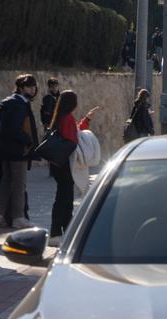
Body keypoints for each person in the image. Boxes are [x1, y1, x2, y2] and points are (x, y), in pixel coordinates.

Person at [47, 91, 100, 245]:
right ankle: (57, 233)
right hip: (66, 164)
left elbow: (73, 132)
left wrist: (87, 118)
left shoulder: (60, 117)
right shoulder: (68, 118)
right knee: (64, 199)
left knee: (65, 198)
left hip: (59, 164)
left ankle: (65, 231)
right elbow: (73, 138)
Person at [0, 74, 39, 229]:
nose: (32, 90)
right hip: (18, 151)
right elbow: (13, 129)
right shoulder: (19, 104)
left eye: (34, 87)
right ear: (20, 88)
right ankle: (18, 217)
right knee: (19, 184)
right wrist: (28, 141)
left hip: (5, 150)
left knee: (6, 182)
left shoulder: (9, 102)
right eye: (29, 87)